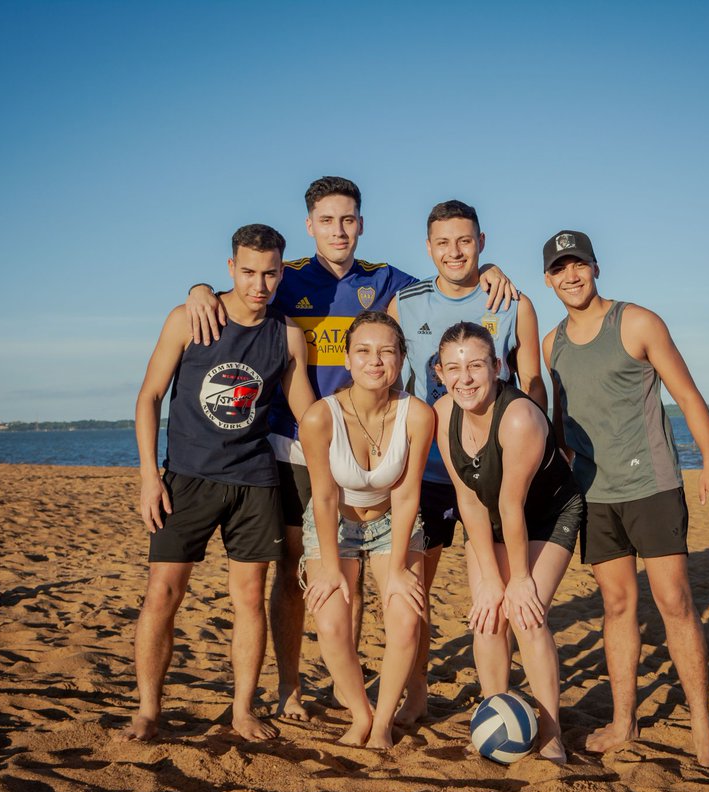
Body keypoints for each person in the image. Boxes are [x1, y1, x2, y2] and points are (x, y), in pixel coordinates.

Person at [182, 177, 517, 720]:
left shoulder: (384, 280)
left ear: (360, 223)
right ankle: (291, 686)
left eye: (349, 220)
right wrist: (198, 288)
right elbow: (236, 293)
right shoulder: (286, 281)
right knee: (302, 570)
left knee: (371, 571)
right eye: (327, 221)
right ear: (310, 225)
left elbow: (451, 280)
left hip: (374, 446)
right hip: (299, 444)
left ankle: (359, 690)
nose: (339, 231)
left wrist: (490, 271)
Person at [540, 229, 709, 768]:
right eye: (559, 269)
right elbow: (556, 426)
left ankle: (702, 729)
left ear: (596, 267)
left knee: (674, 602)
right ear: (549, 278)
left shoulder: (638, 322)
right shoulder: (550, 345)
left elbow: (688, 395)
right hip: (595, 496)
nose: (570, 276)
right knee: (618, 604)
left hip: (652, 485)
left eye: (578, 265)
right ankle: (625, 722)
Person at [121, 224, 315, 743]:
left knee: (249, 599)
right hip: (186, 478)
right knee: (162, 593)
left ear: (282, 270)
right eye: (249, 272)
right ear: (230, 268)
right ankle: (147, 712)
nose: (260, 284)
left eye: (271, 273)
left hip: (255, 480)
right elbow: (149, 397)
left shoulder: (287, 335)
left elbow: (309, 416)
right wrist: (147, 477)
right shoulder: (190, 318)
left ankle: (243, 710)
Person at [388, 199, 546, 724]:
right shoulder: (405, 304)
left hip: (494, 476)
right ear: (428, 247)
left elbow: (533, 383)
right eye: (442, 242)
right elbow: (391, 383)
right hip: (430, 471)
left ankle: (504, 704)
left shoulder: (512, 301)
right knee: (416, 594)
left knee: (503, 598)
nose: (454, 252)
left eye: (464, 240)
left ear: (482, 241)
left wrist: (545, 448)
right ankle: (415, 695)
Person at [433, 322, 581, 763]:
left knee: (525, 613)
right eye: (454, 368)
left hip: (547, 513)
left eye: (477, 365)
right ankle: (495, 713)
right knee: (486, 616)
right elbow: (469, 500)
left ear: (497, 367)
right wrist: (491, 583)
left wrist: (516, 579)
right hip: (491, 514)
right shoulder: (443, 414)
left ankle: (552, 731)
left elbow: (512, 505)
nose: (466, 377)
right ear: (440, 373)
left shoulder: (518, 417)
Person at [298, 311, 433, 748]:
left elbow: (408, 494)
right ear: (348, 358)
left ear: (401, 359)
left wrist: (396, 570)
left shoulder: (418, 415)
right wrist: (332, 567)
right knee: (333, 618)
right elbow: (323, 496)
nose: (375, 361)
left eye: (386, 351)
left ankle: (381, 726)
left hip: (393, 522)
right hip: (335, 523)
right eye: (364, 351)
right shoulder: (321, 417)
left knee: (406, 617)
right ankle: (360, 715)